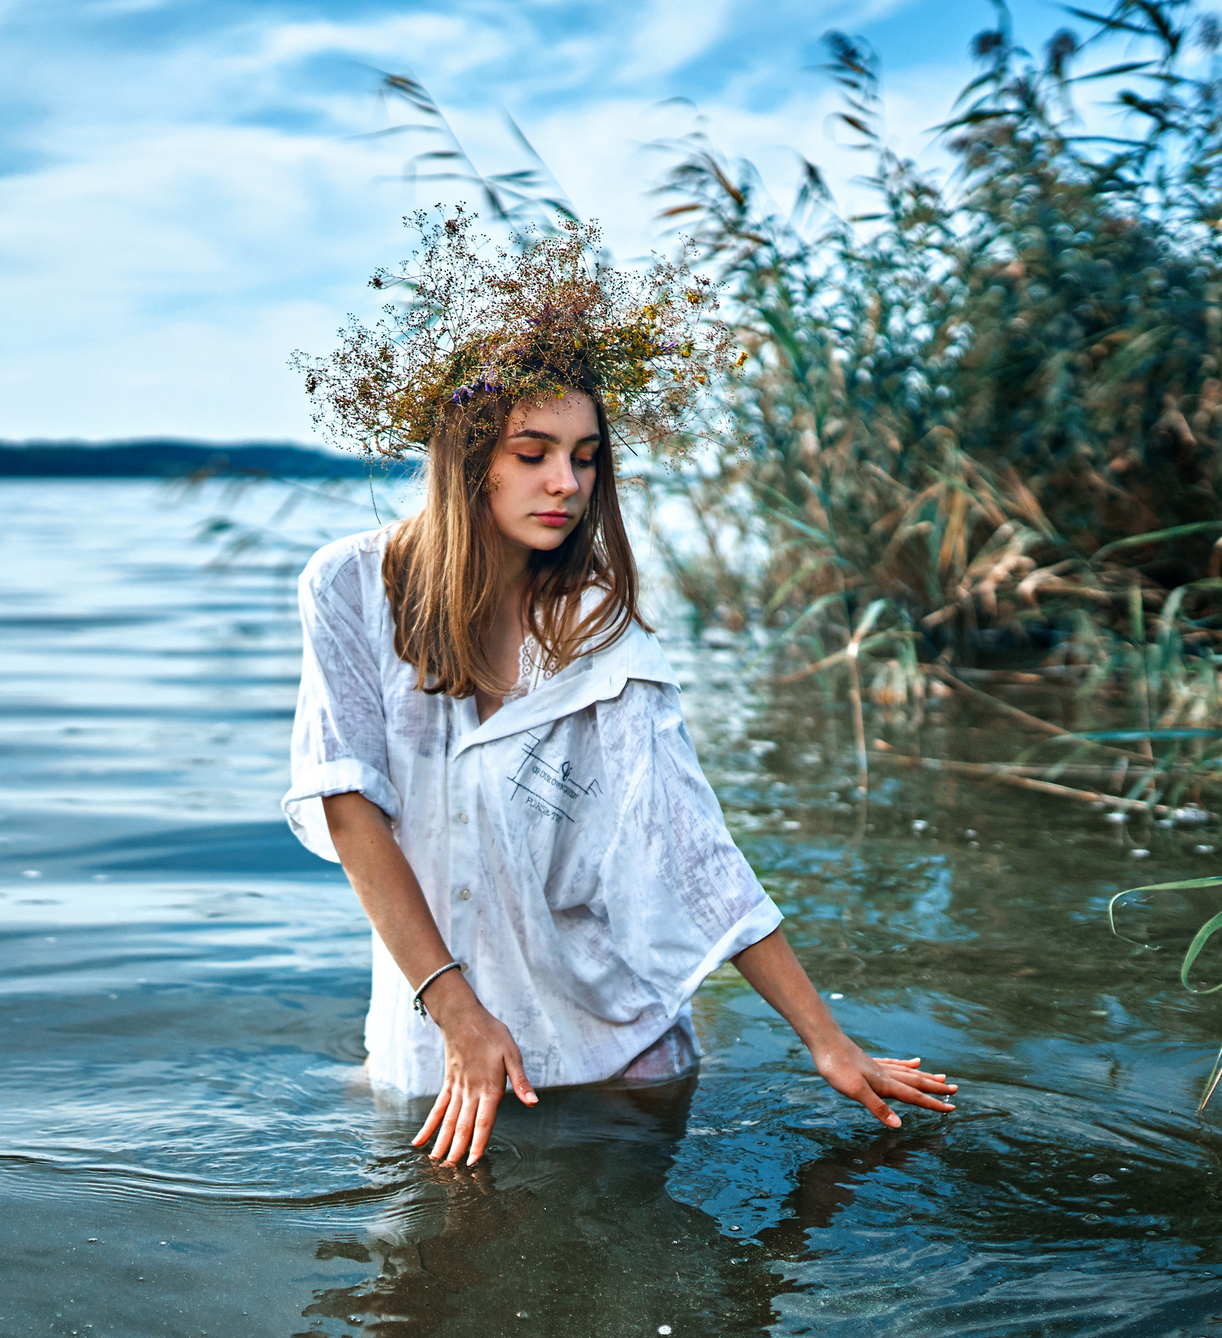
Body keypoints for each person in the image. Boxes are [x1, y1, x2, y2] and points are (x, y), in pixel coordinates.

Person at [285, 209, 958, 1166]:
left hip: (617, 1064)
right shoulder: (351, 587)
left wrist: (827, 1040)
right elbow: (352, 807)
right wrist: (458, 1012)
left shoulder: (601, 629)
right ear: (468, 456)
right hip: (443, 1053)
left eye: (586, 457)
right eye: (534, 453)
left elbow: (694, 847)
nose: (565, 481)